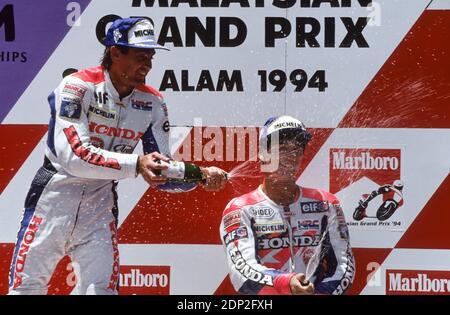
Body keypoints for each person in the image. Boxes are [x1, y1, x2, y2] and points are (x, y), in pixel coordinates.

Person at [8, 17, 227, 295]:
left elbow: (159, 169)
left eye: (150, 56)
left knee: (102, 291)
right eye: (139, 55)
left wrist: (199, 175)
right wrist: (136, 164)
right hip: (52, 201)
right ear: (115, 52)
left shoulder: (152, 102)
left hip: (99, 210)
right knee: (26, 290)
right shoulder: (77, 87)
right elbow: (74, 157)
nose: (147, 64)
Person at [220, 115, 355, 295]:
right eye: (281, 149)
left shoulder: (326, 204)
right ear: (263, 154)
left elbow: (344, 266)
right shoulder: (240, 208)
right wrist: (286, 282)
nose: (289, 158)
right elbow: (242, 273)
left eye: (296, 150)